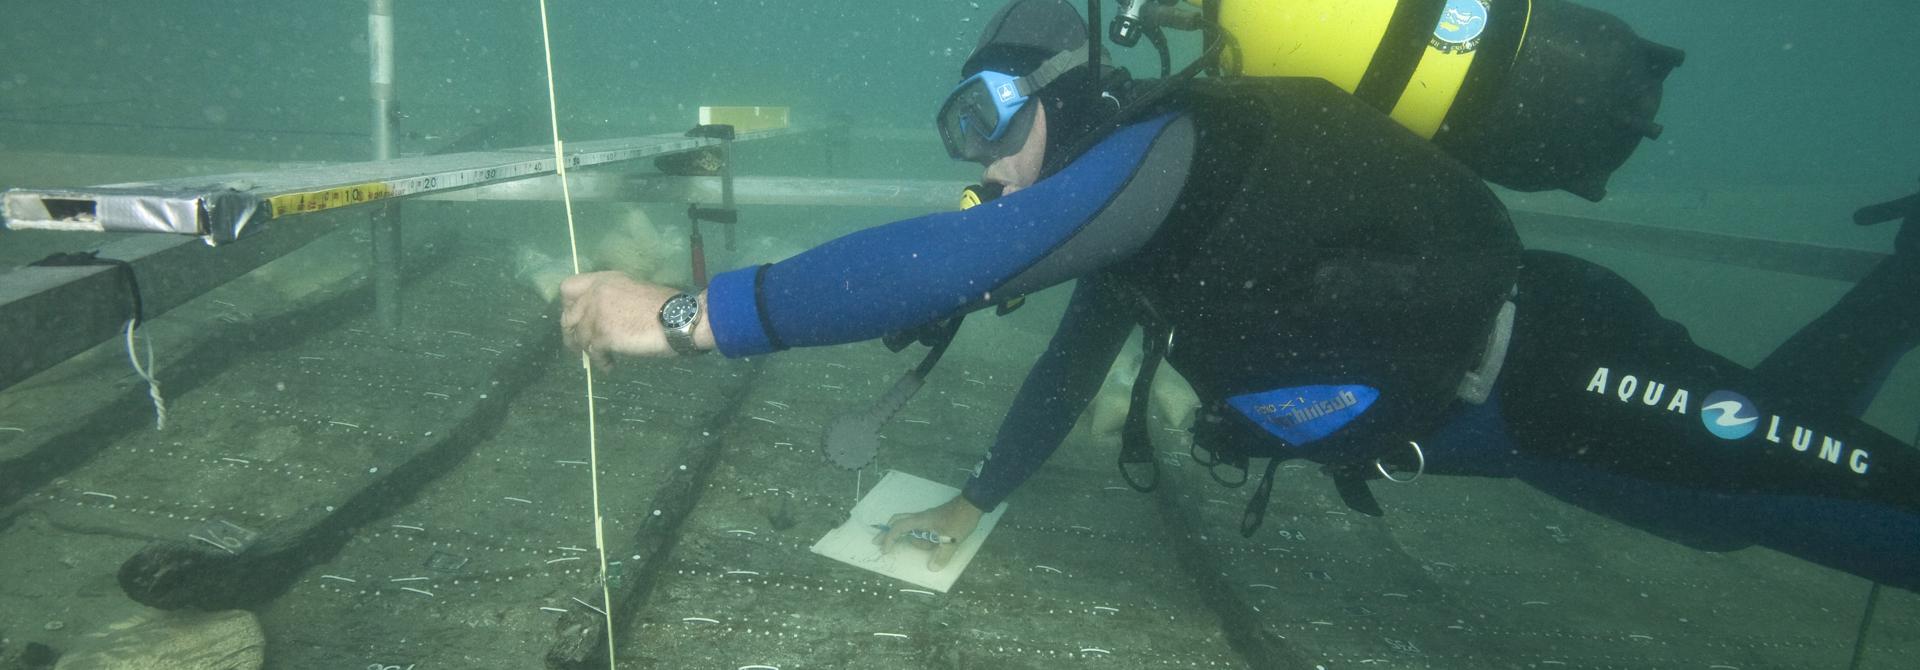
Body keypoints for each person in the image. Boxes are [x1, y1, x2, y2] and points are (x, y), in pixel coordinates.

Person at [561, 0, 1919, 589]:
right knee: (1747, 509)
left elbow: (957, 261)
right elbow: (1073, 356)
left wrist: (676, 316)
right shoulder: (1147, 220)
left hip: (1559, 363)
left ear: (1064, 93)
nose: (981, 159)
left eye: (986, 117)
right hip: (1527, 426)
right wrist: (984, 492)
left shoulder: (1171, 148)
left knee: (1862, 513)